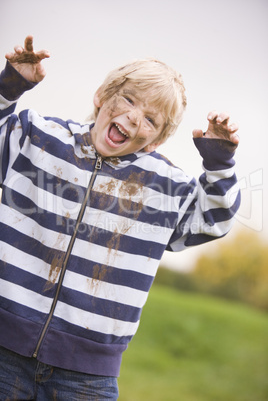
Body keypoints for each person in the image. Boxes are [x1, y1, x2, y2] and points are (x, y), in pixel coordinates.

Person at [0, 36, 240, 400]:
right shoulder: (37, 138)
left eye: (150, 119)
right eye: (128, 99)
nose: (133, 116)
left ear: (155, 140)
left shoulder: (166, 186)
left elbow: (214, 219)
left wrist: (219, 163)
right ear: (101, 96)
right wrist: (10, 87)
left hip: (86, 377)